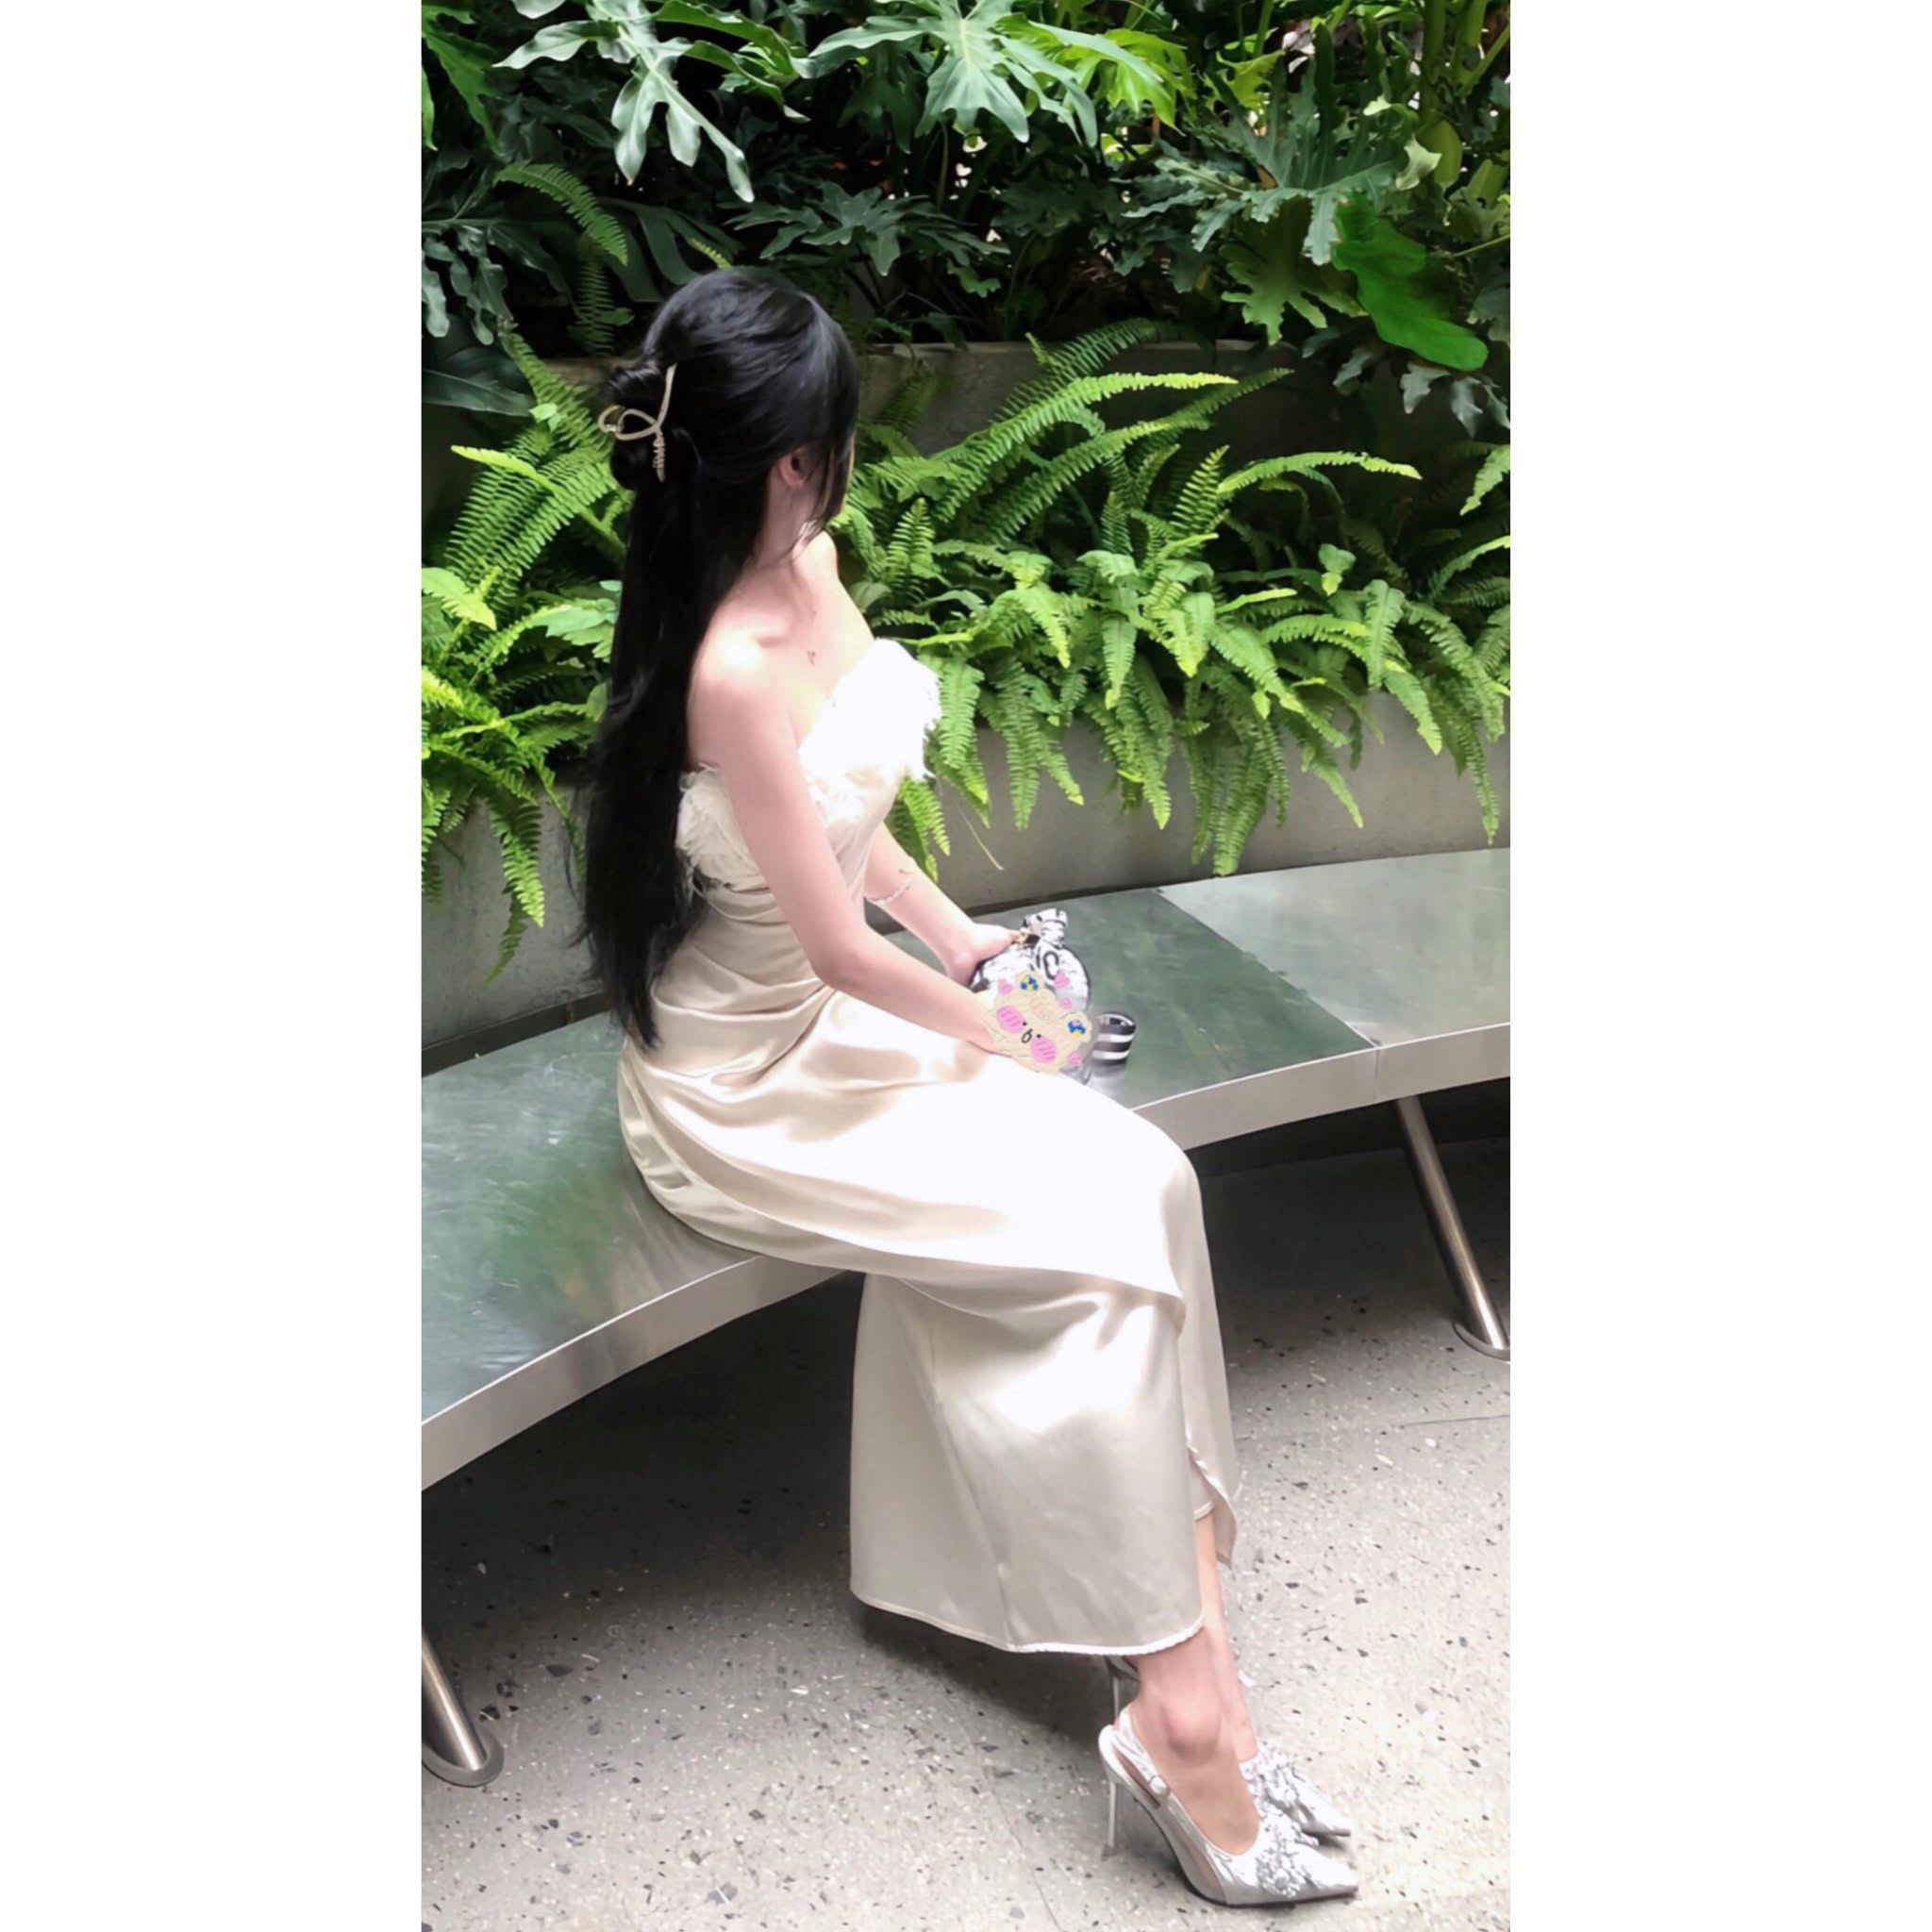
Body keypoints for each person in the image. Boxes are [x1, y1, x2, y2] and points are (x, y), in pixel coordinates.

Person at [574, 267, 1357, 1907]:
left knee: (1148, 1178)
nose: (844, 464)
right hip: (748, 1083)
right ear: (790, 459)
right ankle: (1188, 1720)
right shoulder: (725, 667)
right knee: (1088, 1254)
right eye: (833, 438)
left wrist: (977, 946)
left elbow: (850, 824)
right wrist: (1011, 1036)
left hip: (861, 1013)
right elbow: (826, 946)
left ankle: (1193, 1685)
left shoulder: (810, 568)